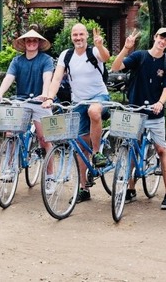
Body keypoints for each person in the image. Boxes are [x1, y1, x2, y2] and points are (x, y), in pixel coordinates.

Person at [41, 23, 111, 203]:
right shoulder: (67, 55)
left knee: (94, 111)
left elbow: (106, 57)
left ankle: (97, 154)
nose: (78, 38)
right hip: (78, 101)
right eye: (75, 35)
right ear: (71, 37)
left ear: (86, 36)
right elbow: (57, 78)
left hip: (99, 96)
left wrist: (100, 45)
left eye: (81, 34)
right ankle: (83, 188)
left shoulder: (94, 51)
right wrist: (49, 97)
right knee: (80, 146)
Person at [111, 27, 166, 210]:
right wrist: (126, 48)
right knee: (132, 148)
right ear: (154, 37)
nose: (162, 41)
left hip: (155, 113)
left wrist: (160, 103)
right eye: (160, 37)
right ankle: (130, 189)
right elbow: (115, 67)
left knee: (162, 150)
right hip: (135, 110)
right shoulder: (139, 56)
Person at [0, 28, 55, 163]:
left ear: (39, 43)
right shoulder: (17, 61)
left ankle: (50, 176)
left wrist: (45, 94)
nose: (31, 43)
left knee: (44, 138)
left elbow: (48, 78)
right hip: (21, 100)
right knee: (10, 133)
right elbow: (8, 78)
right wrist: (0, 94)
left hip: (40, 101)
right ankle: (9, 167)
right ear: (24, 43)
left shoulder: (46, 60)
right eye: (29, 40)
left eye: (35, 40)